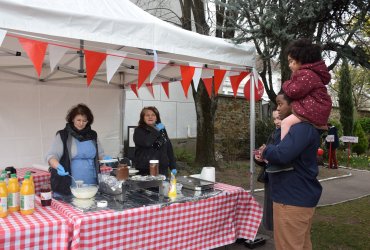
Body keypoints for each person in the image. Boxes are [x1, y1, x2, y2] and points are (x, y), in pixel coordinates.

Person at [259, 90, 323, 250]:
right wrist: (264, 154)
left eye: (281, 104)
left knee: (288, 246)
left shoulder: (302, 128)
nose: (277, 109)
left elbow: (282, 154)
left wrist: (266, 151)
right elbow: (280, 153)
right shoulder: (293, 128)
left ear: (295, 104)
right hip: (294, 196)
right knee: (301, 245)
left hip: (291, 198)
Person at [46, 103, 107, 195]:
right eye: (78, 120)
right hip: (69, 181)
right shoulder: (63, 135)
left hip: (91, 180)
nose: (81, 123)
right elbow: (51, 156)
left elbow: (100, 155)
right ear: (72, 119)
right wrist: (57, 166)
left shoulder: (93, 135)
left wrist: (106, 159)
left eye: (84, 121)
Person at [281, 38, 332, 140]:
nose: (289, 65)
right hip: (316, 111)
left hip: (312, 112)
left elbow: (294, 91)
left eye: (291, 61)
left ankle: (283, 148)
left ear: (301, 59)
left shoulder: (306, 74)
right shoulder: (311, 74)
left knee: (285, 123)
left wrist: (285, 84)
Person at [254, 109, 282, 231]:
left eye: (279, 118)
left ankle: (276, 228)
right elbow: (266, 154)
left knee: (278, 207)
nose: (276, 122)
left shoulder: (288, 134)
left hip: (280, 178)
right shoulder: (273, 133)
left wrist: (267, 154)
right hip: (269, 175)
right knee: (269, 205)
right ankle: (271, 227)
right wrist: (259, 157)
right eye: (274, 119)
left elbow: (281, 156)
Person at [133, 106, 176, 178]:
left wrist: (173, 166)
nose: (150, 117)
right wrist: (156, 130)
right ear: (143, 118)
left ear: (157, 117)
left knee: (162, 188)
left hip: (162, 169)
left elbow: (168, 148)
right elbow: (147, 142)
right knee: (149, 189)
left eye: (153, 115)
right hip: (145, 170)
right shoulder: (139, 130)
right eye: (147, 115)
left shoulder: (161, 129)